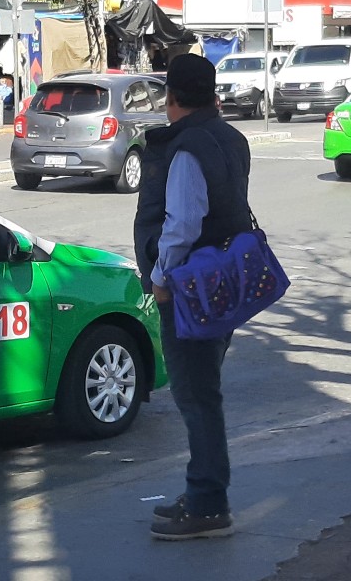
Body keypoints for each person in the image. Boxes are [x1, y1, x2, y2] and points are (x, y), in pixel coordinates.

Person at [133, 53, 254, 541]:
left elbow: (182, 224)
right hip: (224, 283)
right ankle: (204, 491)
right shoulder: (231, 138)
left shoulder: (186, 149)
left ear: (173, 97)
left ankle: (207, 503)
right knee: (204, 389)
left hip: (189, 288)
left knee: (196, 396)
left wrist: (161, 278)